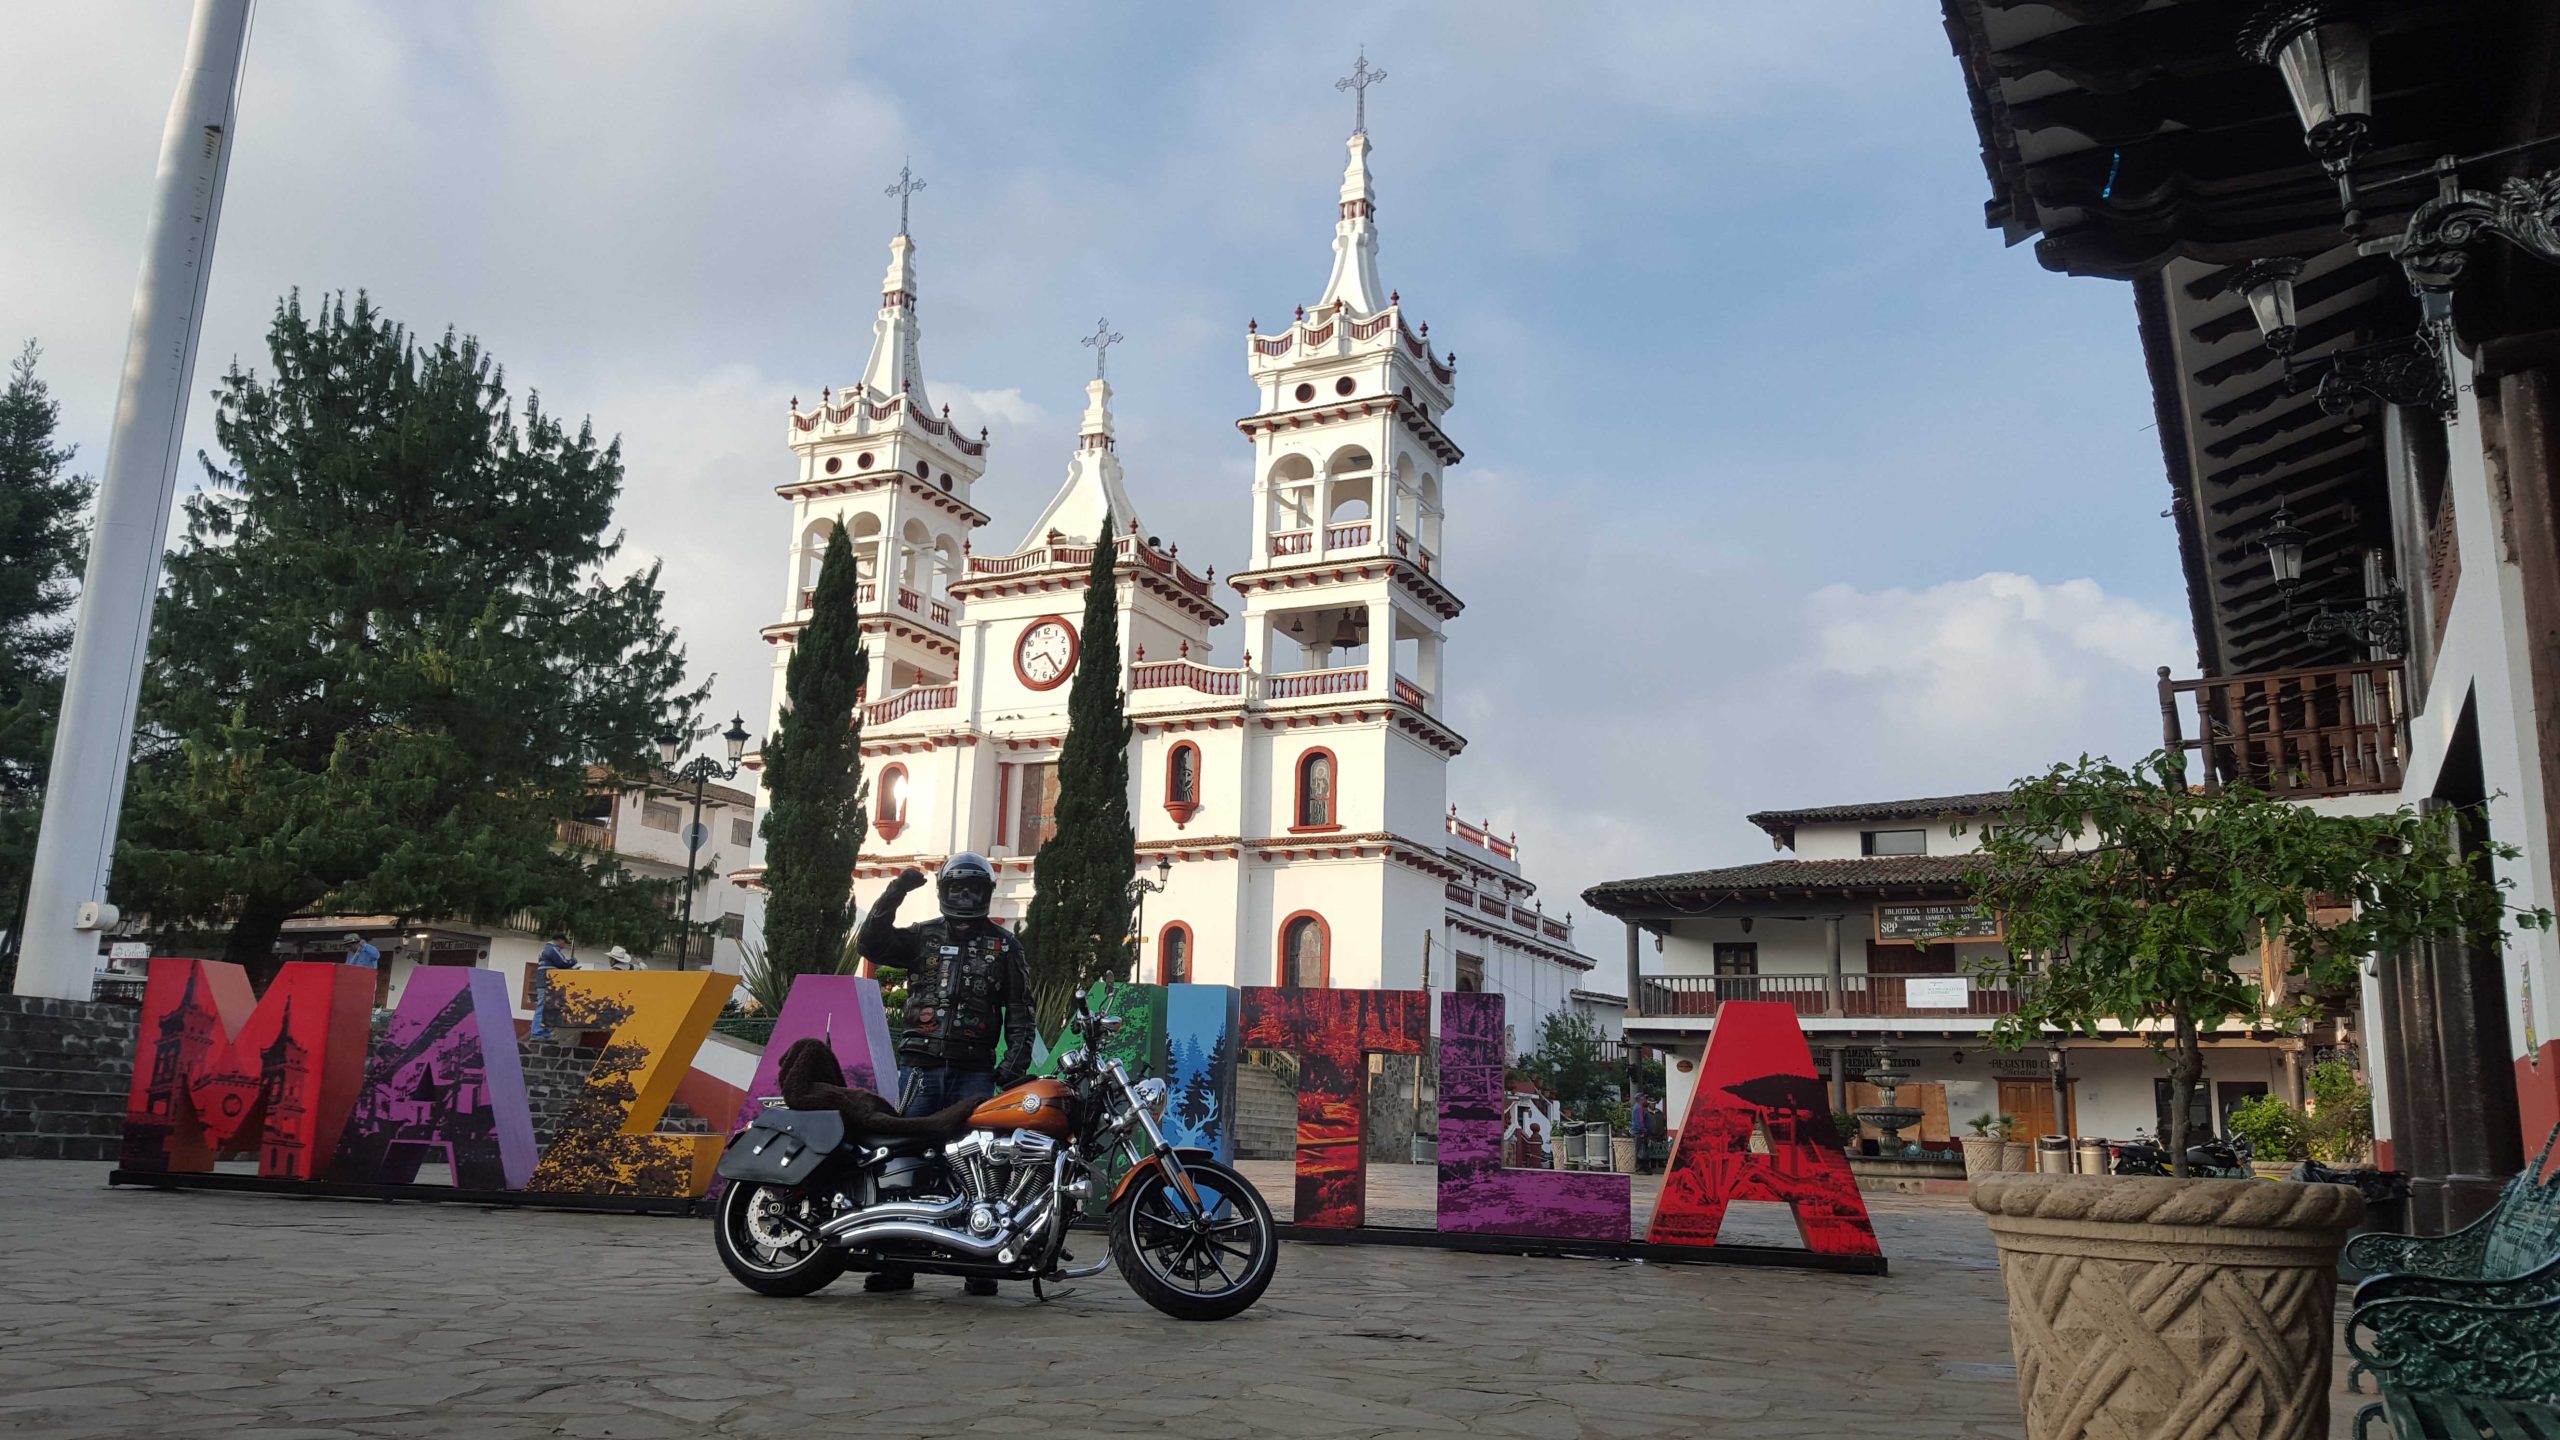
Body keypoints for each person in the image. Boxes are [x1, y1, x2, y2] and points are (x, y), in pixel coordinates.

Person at [856, 852, 1034, 1297]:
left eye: (973, 888)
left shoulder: (1005, 946)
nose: (964, 895)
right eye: (956, 888)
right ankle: (895, 1261)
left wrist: (1013, 1065)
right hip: (922, 1064)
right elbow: (870, 944)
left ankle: (980, 1261)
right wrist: (897, 889)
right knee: (903, 1160)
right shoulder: (922, 937)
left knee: (979, 1164)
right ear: (943, 892)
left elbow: (1020, 1011)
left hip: (974, 1071)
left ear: (987, 893)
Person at [530, 935, 576, 1041]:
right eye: (564, 943)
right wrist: (573, 961)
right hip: (547, 982)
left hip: (545, 982)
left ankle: (545, 1033)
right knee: (543, 1008)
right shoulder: (552, 949)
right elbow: (563, 963)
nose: (564, 946)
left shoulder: (545, 950)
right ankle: (537, 1033)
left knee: (549, 1008)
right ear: (559, 940)